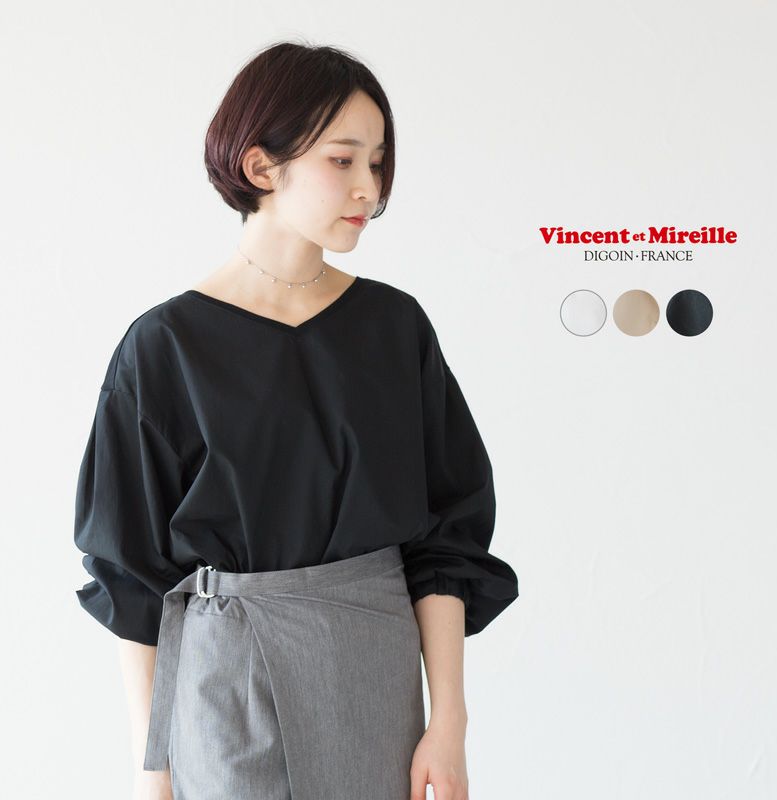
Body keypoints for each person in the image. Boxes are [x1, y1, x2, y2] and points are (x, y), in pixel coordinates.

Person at [73, 40, 519, 800]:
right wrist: (154, 769)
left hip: (375, 677)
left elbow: (446, 540)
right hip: (225, 684)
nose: (369, 188)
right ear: (260, 167)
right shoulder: (166, 346)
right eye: (343, 160)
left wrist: (449, 723)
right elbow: (132, 572)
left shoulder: (393, 328)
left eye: (377, 162)